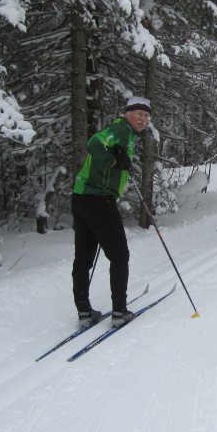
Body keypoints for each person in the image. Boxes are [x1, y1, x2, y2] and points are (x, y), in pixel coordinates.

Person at [70, 96, 151, 329]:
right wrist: (116, 162)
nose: (143, 119)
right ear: (127, 113)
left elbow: (104, 147)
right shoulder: (120, 130)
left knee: (84, 257)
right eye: (138, 114)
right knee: (119, 256)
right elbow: (95, 143)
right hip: (98, 199)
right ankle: (119, 312)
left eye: (146, 116)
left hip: (82, 196)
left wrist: (116, 157)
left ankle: (84, 311)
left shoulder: (125, 133)